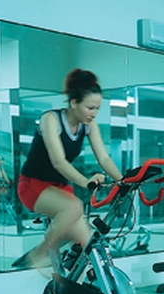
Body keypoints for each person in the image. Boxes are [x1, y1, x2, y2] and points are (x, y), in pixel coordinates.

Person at [15, 68, 123, 268]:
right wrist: (86, 182)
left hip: (60, 188)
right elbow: (59, 161)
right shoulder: (51, 119)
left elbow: (104, 158)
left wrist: (123, 181)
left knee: (88, 244)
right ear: (74, 103)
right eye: (90, 108)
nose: (94, 113)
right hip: (33, 185)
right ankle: (38, 254)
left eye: (97, 109)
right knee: (74, 207)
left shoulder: (88, 125)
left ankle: (73, 282)